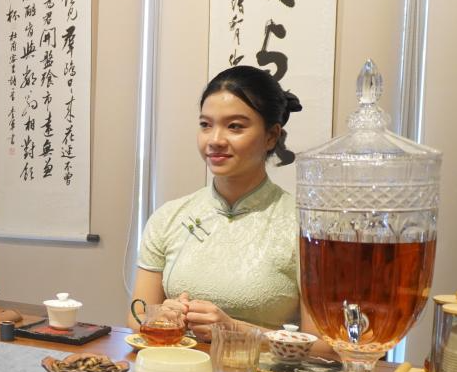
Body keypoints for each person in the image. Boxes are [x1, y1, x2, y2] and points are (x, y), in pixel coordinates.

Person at [128, 64, 328, 346]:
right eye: (205, 125)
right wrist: (161, 316)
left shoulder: (305, 226)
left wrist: (236, 330)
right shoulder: (169, 216)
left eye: (235, 126)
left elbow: (324, 345)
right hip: (176, 368)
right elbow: (136, 317)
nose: (215, 140)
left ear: (271, 136)